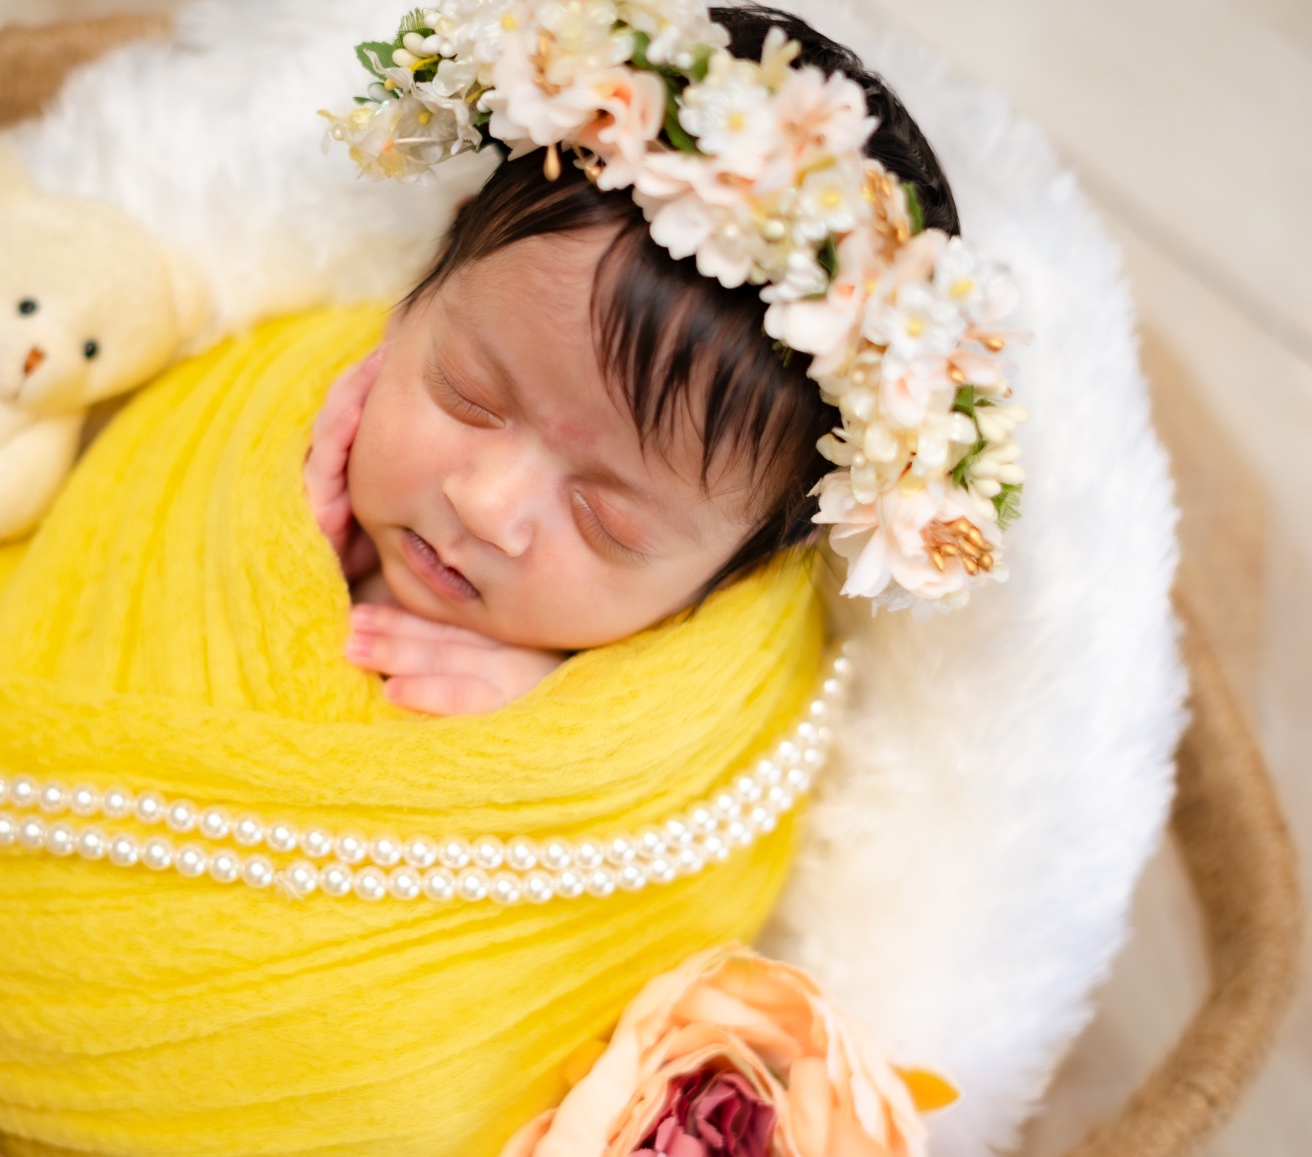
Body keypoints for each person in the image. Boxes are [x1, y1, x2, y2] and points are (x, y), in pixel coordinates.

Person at [305, 5, 960, 716]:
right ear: (438, 263)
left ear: (739, 568)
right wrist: (281, 539)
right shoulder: (266, 370)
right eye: (468, 396)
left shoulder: (707, 724)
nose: (487, 507)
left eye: (606, 523)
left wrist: (555, 730)